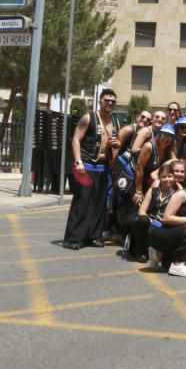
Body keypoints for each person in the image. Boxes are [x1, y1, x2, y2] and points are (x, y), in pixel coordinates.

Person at [63, 88, 121, 250]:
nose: (109, 103)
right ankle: (74, 238)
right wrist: (78, 162)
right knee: (82, 202)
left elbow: (116, 146)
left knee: (99, 204)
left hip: (103, 167)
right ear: (100, 101)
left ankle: (94, 236)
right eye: (106, 100)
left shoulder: (115, 122)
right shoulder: (89, 118)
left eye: (112, 101)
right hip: (87, 165)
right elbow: (75, 139)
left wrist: (117, 145)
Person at [148, 168, 186, 277]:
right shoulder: (181, 195)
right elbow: (167, 218)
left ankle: (160, 255)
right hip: (160, 231)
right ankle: (177, 264)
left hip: (177, 234)